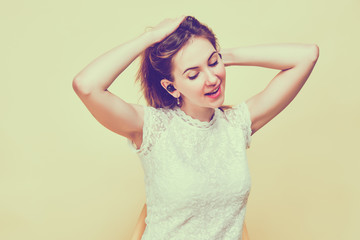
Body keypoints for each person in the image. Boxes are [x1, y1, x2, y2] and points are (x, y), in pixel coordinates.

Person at [72, 16, 319, 240]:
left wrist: (225, 57)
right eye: (193, 75)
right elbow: (86, 85)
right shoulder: (152, 127)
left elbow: (306, 56)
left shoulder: (237, 124)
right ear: (171, 87)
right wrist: (149, 38)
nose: (212, 79)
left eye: (213, 63)